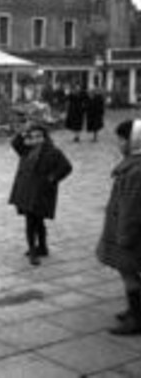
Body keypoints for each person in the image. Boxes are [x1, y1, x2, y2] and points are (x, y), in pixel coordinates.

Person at [96, 119, 141, 336]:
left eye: (122, 140)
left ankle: (137, 317)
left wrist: (124, 237)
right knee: (129, 272)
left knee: (129, 272)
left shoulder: (136, 170)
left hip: (129, 234)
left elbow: (132, 208)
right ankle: (135, 310)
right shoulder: (133, 165)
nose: (119, 144)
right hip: (127, 230)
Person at [9, 123, 72, 266]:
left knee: (36, 220)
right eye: (34, 136)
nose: (37, 139)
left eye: (39, 136)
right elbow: (15, 142)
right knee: (32, 220)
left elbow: (66, 167)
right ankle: (37, 248)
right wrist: (25, 131)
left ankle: (38, 249)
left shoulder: (53, 152)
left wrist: (52, 178)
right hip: (26, 191)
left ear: (45, 137)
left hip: (42, 192)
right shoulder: (26, 148)